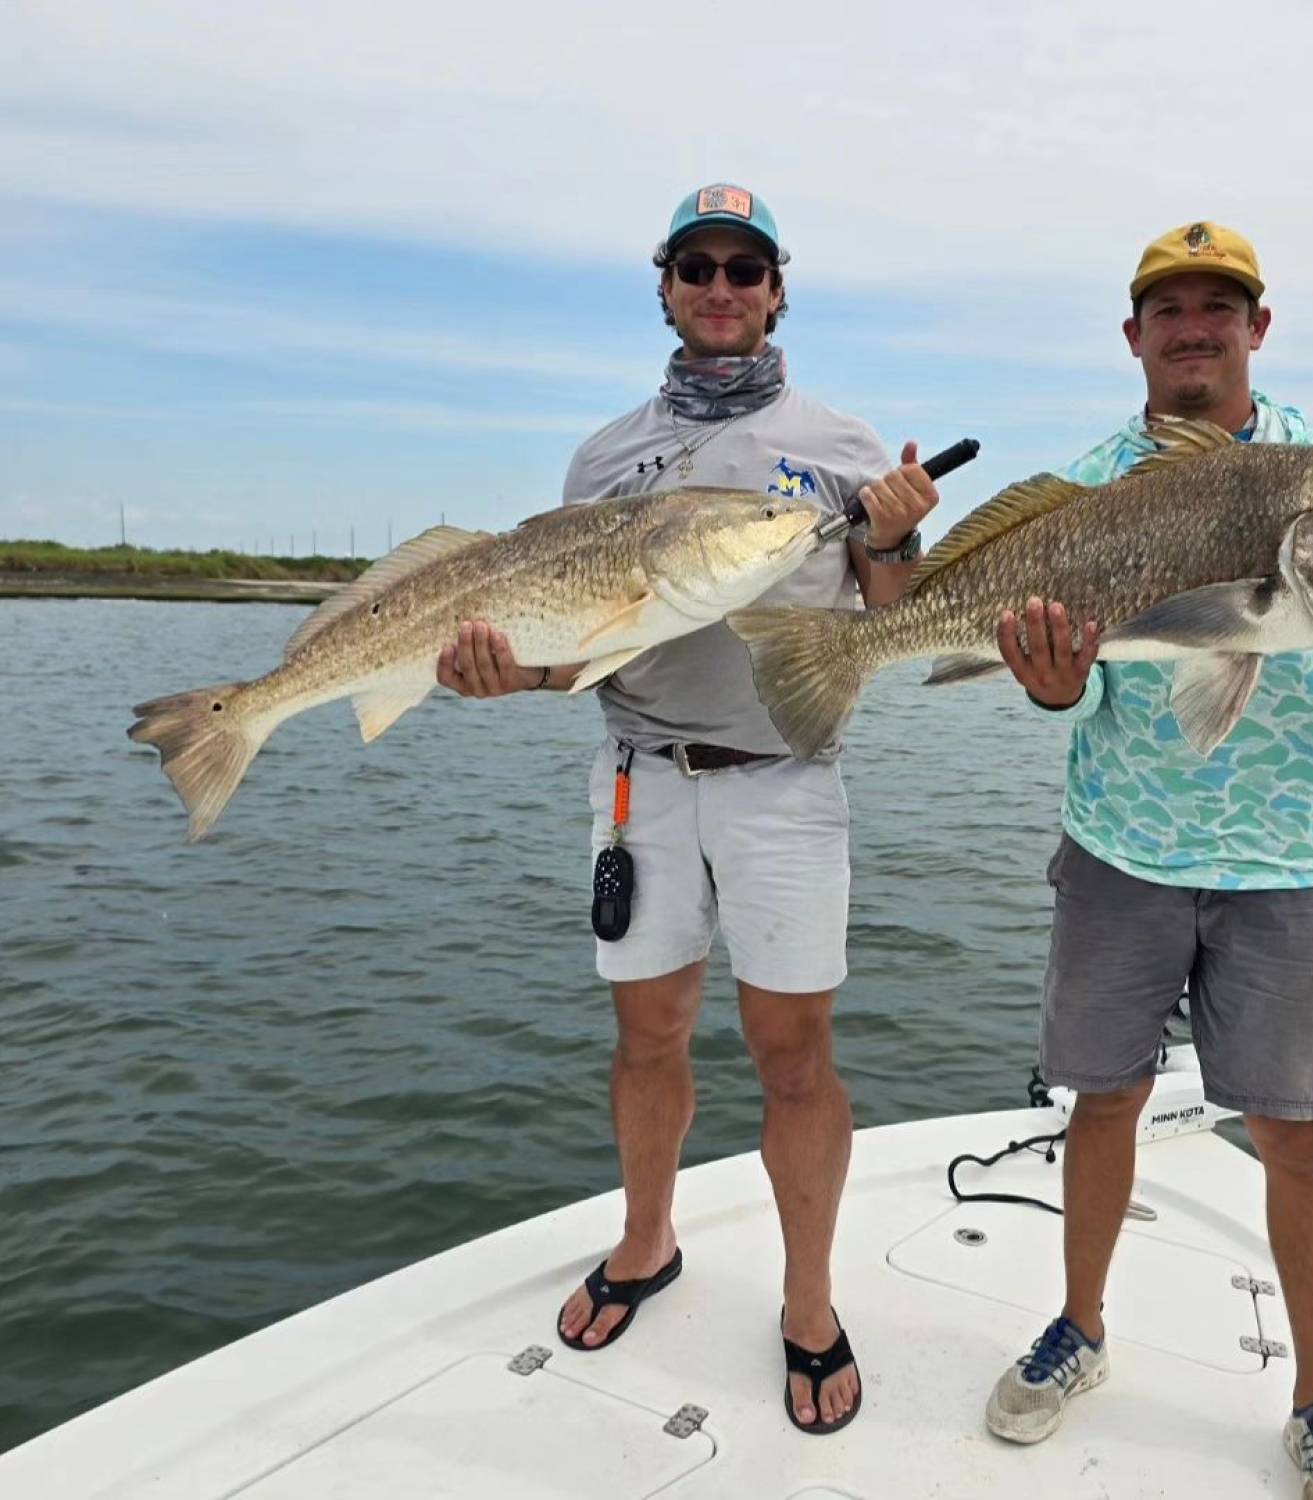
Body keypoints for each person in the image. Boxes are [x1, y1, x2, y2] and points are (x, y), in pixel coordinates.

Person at [984, 221, 1313, 1497]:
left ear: (1258, 330)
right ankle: (1079, 1332)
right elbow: (1079, 690)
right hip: (1117, 852)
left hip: (1279, 864)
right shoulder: (1093, 483)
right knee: (1102, 1102)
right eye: (1170, 308)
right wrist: (1046, 688)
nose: (1194, 327)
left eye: (1221, 307)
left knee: (1297, 1135)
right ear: (1135, 335)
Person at [436, 183, 940, 1434]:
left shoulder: (845, 444)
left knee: (794, 1054)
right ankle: (647, 1240)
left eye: (746, 269)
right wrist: (497, 672)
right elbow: (570, 652)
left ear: (779, 292)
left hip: (782, 779)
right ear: (664, 286)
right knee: (649, 1035)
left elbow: (890, 619)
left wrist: (893, 541)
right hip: (639, 779)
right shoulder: (604, 457)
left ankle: (809, 1305)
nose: (723, 289)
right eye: (699, 268)